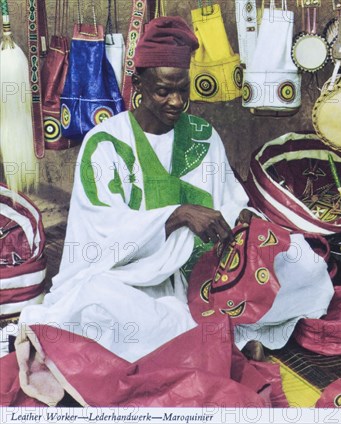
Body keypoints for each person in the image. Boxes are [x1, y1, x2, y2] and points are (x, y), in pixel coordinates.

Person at [14, 16, 256, 362]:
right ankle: (219, 333)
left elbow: (231, 202)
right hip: (131, 279)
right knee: (96, 303)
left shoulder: (204, 135)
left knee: (296, 264)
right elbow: (100, 235)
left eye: (182, 89)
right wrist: (175, 216)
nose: (176, 101)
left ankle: (211, 327)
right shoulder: (105, 143)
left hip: (203, 275)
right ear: (137, 84)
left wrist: (248, 227)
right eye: (163, 90)